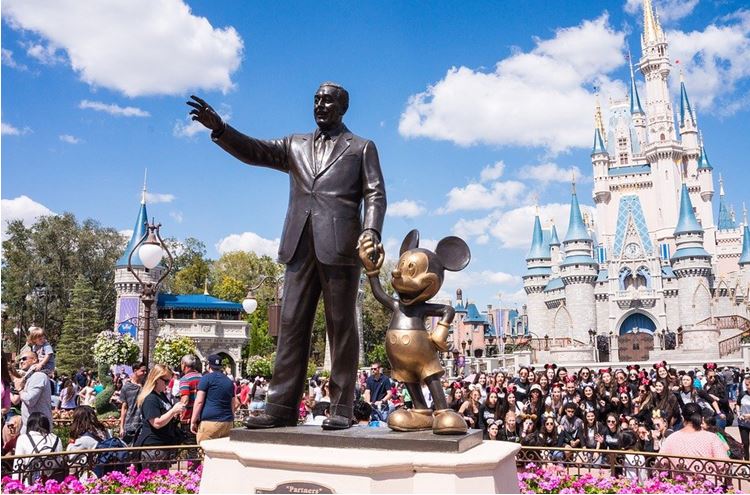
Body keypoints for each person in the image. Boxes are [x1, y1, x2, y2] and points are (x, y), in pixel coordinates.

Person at [189, 82, 387, 431]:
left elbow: (375, 194)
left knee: (341, 328)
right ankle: (280, 406)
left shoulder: (361, 147)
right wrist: (220, 129)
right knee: (292, 325)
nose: (320, 105)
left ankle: (341, 407)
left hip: (341, 247)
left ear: (342, 107)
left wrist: (370, 231)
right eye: (316, 100)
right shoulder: (295, 144)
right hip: (299, 244)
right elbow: (255, 151)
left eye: (327, 100)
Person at [134, 364, 184, 469]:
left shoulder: (161, 395)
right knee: (152, 481)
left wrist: (174, 413)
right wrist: (173, 411)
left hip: (163, 444)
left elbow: (165, 415)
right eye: (166, 381)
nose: (168, 384)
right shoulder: (150, 398)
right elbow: (156, 423)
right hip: (152, 447)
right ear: (156, 379)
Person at [659, 402, 729, 464]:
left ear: (683, 418)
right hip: (708, 478)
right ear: (702, 419)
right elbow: (724, 464)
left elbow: (660, 464)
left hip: (678, 478)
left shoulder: (672, 438)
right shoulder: (712, 438)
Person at [190, 354, 238, 443]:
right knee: (222, 454)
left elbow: (199, 401)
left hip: (210, 421)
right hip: (227, 422)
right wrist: (232, 419)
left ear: (208, 365)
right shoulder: (229, 381)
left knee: (204, 451)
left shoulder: (206, 378)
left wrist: (193, 421)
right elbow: (233, 403)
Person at [12, 412, 63, 481]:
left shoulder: (23, 438)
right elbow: (60, 460)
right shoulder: (56, 438)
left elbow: (18, 463)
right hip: (53, 482)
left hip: (31, 483)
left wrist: (15, 485)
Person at [13, 351, 52, 433]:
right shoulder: (30, 377)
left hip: (38, 427)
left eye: (24, 359)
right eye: (20, 359)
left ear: (34, 360)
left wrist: (19, 389)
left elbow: (30, 400)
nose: (21, 361)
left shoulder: (38, 376)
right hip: (29, 426)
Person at [119, 361, 147, 445]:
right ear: (135, 371)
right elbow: (124, 408)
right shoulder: (126, 387)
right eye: (142, 371)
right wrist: (121, 427)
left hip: (144, 423)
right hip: (131, 424)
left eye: (145, 371)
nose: (145, 373)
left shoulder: (146, 386)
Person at [179, 354, 202, 442]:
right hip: (201, 416)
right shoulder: (201, 377)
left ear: (184, 364)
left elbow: (185, 399)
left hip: (188, 417)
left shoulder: (185, 379)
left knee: (189, 444)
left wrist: (179, 412)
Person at [736, 372, 750, 460]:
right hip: (743, 423)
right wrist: (738, 414)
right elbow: (737, 404)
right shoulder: (742, 394)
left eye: (749, 384)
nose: (748, 387)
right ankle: (747, 461)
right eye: (746, 385)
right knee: (745, 443)